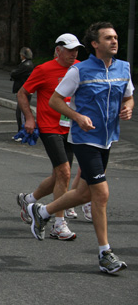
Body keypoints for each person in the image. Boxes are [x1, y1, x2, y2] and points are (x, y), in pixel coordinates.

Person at [28, 22, 134, 274]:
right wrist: (76, 116)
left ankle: (42, 211)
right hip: (85, 140)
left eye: (116, 37)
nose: (114, 41)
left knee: (85, 193)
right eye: (108, 38)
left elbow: (128, 95)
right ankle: (104, 253)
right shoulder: (80, 70)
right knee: (101, 194)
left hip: (107, 140)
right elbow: (55, 100)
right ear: (95, 44)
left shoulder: (124, 68)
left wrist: (129, 106)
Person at [15, 34, 84, 240]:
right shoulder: (43, 70)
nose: (73, 54)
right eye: (69, 50)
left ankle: (30, 199)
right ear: (58, 50)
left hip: (71, 127)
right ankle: (59, 224)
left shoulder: (80, 68)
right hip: (49, 127)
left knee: (59, 175)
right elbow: (22, 93)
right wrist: (29, 117)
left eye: (76, 50)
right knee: (64, 172)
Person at [10, 47, 34, 133]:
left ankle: (23, 131)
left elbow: (15, 73)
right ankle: (21, 130)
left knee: (21, 113)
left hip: (24, 91)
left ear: (23, 55)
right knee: (20, 112)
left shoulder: (26, 65)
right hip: (24, 91)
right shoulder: (27, 64)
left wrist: (13, 73)